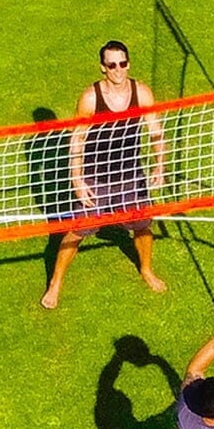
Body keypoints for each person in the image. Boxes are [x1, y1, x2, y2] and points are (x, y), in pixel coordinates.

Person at [40, 41, 169, 310]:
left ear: (128, 63)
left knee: (143, 226)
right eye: (112, 65)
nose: (118, 69)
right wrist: (77, 180)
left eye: (122, 63)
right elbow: (77, 139)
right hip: (96, 175)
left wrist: (160, 164)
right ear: (103, 68)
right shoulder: (90, 98)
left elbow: (155, 130)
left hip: (130, 173)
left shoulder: (142, 93)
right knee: (76, 232)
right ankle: (55, 284)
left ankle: (146, 269)